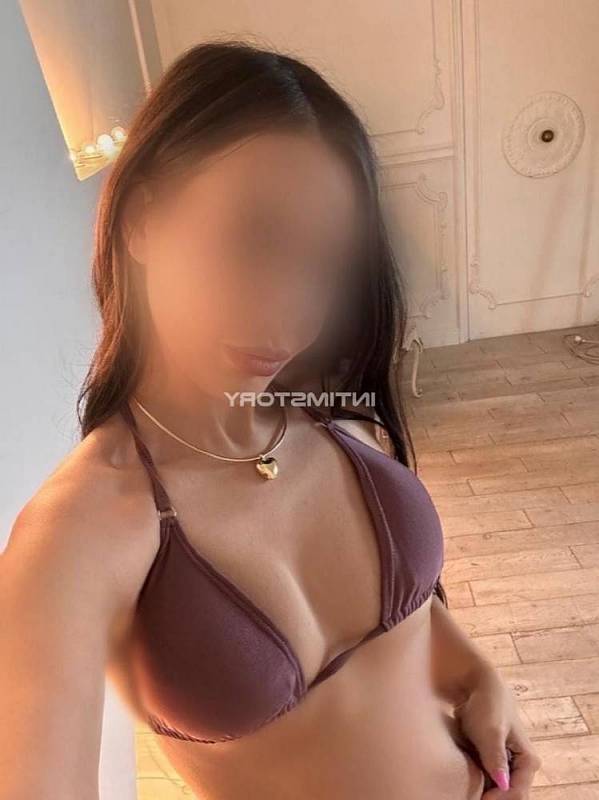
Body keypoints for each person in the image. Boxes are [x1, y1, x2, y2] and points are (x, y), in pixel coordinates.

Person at [0, 42, 540, 800]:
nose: (288, 313)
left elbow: (407, 627)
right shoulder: (82, 534)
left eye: (322, 263)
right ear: (142, 220)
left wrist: (482, 680)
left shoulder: (333, 421)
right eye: (254, 238)